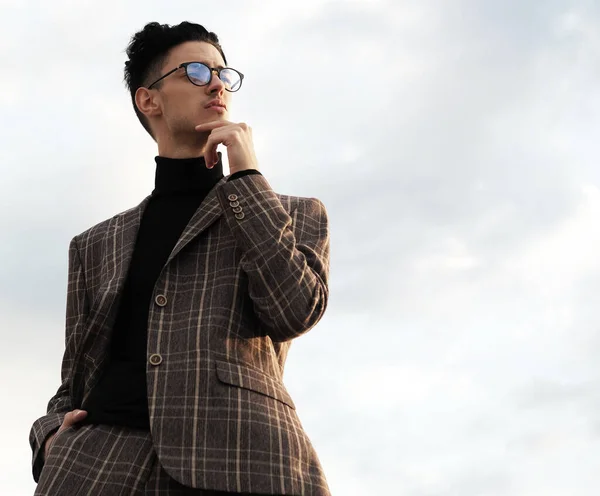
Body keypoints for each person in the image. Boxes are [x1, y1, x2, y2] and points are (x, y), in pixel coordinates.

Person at [28, 21, 331, 496]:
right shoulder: (94, 244)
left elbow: (293, 310)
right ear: (148, 100)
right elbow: (74, 381)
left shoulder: (293, 213)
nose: (215, 83)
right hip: (95, 469)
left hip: (242, 463)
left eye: (222, 73)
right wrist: (48, 439)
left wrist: (247, 175)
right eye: (194, 71)